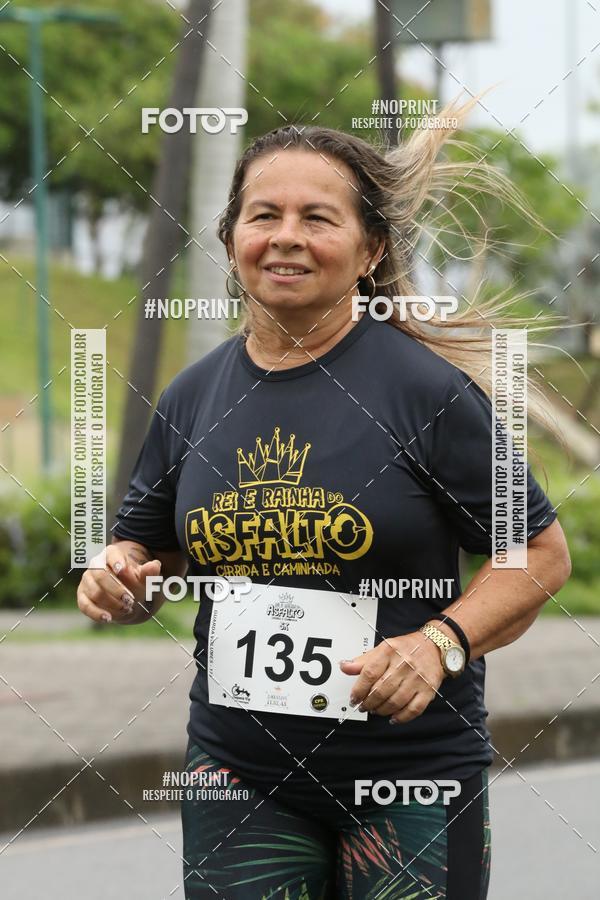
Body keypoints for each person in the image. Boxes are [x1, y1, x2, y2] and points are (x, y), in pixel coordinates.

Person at [77, 94, 571, 899]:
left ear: (371, 248)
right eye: (264, 214)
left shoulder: (425, 393)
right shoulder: (194, 397)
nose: (287, 237)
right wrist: (119, 574)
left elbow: (539, 555)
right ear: (232, 237)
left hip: (407, 780)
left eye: (319, 218)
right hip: (238, 775)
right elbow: (147, 546)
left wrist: (439, 644)